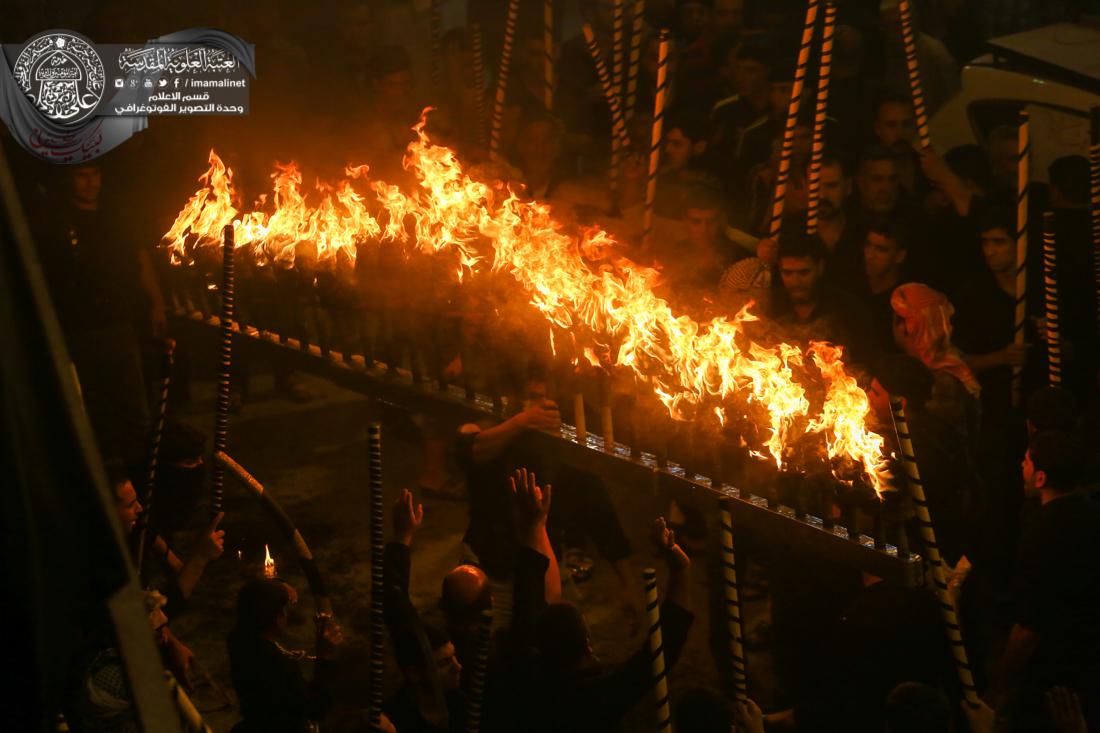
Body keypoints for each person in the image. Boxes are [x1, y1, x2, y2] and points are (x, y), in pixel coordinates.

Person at [35, 163, 167, 464]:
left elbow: (141, 260)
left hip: (119, 325)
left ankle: (137, 484)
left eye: (94, 174)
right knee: (90, 411)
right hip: (78, 331)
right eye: (81, 176)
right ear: (69, 179)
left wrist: (157, 303)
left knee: (136, 412)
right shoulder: (57, 222)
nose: (89, 183)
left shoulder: (115, 217)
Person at [518, 517, 695, 733]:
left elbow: (527, 602)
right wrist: (680, 569)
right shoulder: (595, 699)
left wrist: (534, 523)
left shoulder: (524, 677)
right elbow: (661, 648)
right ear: (587, 643)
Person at [991, 429, 1100, 730]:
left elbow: (1031, 622)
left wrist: (1003, 676)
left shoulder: (1044, 532)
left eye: (1026, 462)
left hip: (1054, 675)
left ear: (1041, 478)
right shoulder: (1090, 514)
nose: (1020, 465)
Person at [227, 578, 345, 733]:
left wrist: (275, 587)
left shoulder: (237, 641)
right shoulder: (278, 666)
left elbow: (250, 595)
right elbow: (316, 709)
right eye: (284, 610)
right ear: (278, 617)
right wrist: (324, 657)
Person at [890, 282, 981, 444]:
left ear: (908, 328)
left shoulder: (940, 385)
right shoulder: (942, 361)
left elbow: (926, 438)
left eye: (895, 318)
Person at [767, 229, 875, 365]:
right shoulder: (768, 307)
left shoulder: (848, 310)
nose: (795, 282)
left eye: (803, 272)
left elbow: (867, 363)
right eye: (787, 273)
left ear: (820, 267)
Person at [856, 218, 908, 355]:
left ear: (899, 256)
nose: (870, 255)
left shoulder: (906, 301)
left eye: (881, 249)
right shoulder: (852, 289)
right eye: (868, 245)